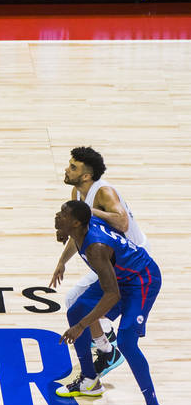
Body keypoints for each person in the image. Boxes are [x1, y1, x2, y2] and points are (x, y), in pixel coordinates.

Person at [54, 200, 168, 405]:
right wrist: (61, 262)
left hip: (141, 280)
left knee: (126, 342)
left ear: (75, 222)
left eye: (63, 215)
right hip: (120, 277)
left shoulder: (96, 248)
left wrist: (81, 326)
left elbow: (112, 295)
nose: (57, 215)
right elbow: (75, 241)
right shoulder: (81, 228)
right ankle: (89, 379)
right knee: (76, 308)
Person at [50, 146, 148, 379]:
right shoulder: (76, 193)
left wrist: (90, 211)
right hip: (112, 257)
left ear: (86, 176)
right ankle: (103, 340)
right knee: (78, 302)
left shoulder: (103, 192)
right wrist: (62, 261)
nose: (67, 169)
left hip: (133, 259)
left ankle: (106, 347)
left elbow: (122, 223)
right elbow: (80, 231)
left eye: (73, 167)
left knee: (78, 301)